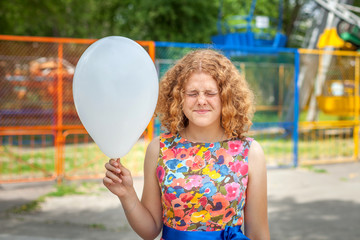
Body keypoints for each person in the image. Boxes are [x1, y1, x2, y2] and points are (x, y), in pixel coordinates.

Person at [103, 49, 270, 240]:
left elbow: (258, 234)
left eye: (210, 93)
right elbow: (150, 231)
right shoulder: (159, 148)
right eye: (192, 93)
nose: (201, 100)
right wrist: (127, 194)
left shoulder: (249, 152)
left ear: (226, 96)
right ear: (178, 97)